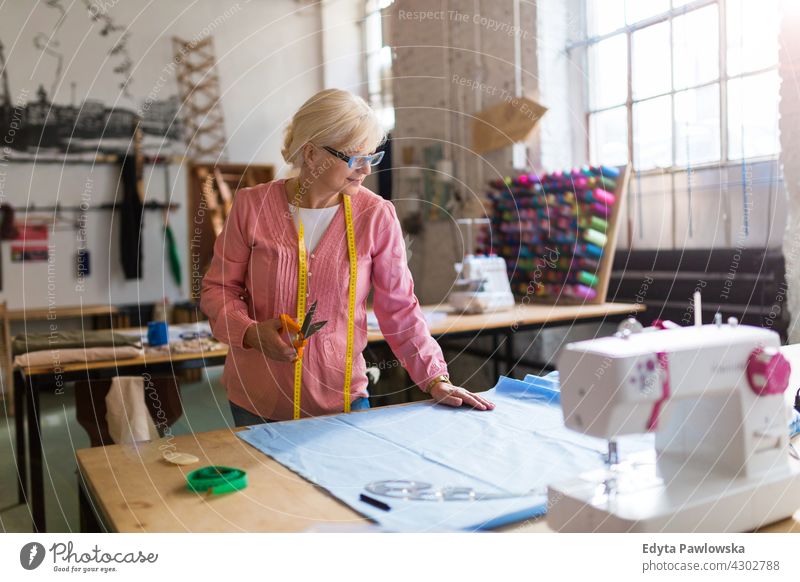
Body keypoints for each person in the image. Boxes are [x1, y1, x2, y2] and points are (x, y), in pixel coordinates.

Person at [200, 88, 494, 427]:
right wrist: (250, 333)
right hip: (256, 402)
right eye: (356, 158)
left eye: (373, 156)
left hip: (343, 401)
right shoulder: (253, 207)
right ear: (310, 153)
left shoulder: (375, 216)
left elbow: (399, 308)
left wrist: (435, 378)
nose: (367, 169)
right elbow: (217, 289)